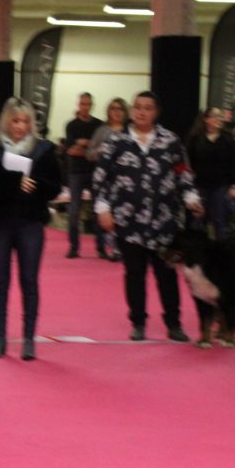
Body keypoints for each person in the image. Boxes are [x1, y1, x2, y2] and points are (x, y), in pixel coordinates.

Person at [93, 90, 203, 342]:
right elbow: (101, 178)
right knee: (134, 273)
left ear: (156, 112)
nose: (142, 111)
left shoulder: (170, 141)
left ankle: (173, 323)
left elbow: (182, 173)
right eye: (138, 107)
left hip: (164, 222)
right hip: (127, 221)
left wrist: (191, 198)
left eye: (148, 107)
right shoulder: (116, 141)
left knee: (166, 274)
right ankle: (138, 321)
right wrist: (103, 208)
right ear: (132, 110)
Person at [0, 97, 60, 360]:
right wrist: (13, 183)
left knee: (29, 282)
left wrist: (38, 187)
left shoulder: (44, 149)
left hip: (30, 223)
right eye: (15, 120)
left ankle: (29, 339)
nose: (20, 126)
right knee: (0, 283)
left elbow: (55, 186)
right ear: (6, 121)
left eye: (25, 121)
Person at [85, 97, 130, 261]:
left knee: (123, 215)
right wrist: (98, 150)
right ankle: (106, 246)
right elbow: (89, 154)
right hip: (104, 180)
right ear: (108, 111)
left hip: (125, 181)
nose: (117, 112)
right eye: (113, 108)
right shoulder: (101, 131)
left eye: (120, 109)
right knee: (104, 215)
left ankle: (120, 247)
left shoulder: (130, 132)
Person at [186, 107, 235, 238]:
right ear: (206, 119)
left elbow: (234, 163)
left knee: (220, 221)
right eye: (215, 116)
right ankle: (198, 254)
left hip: (221, 186)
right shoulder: (195, 139)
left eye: (220, 116)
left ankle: (221, 255)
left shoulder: (228, 138)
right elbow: (188, 164)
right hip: (200, 185)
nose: (219, 119)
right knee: (198, 221)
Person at [63, 92, 104, 259]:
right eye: (82, 104)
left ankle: (101, 248)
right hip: (76, 172)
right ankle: (73, 247)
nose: (85, 107)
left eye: (88, 104)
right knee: (74, 210)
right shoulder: (71, 125)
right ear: (78, 105)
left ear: (91, 105)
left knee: (98, 210)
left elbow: (100, 150)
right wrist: (89, 148)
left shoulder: (99, 125)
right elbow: (72, 149)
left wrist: (84, 146)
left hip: (95, 172)